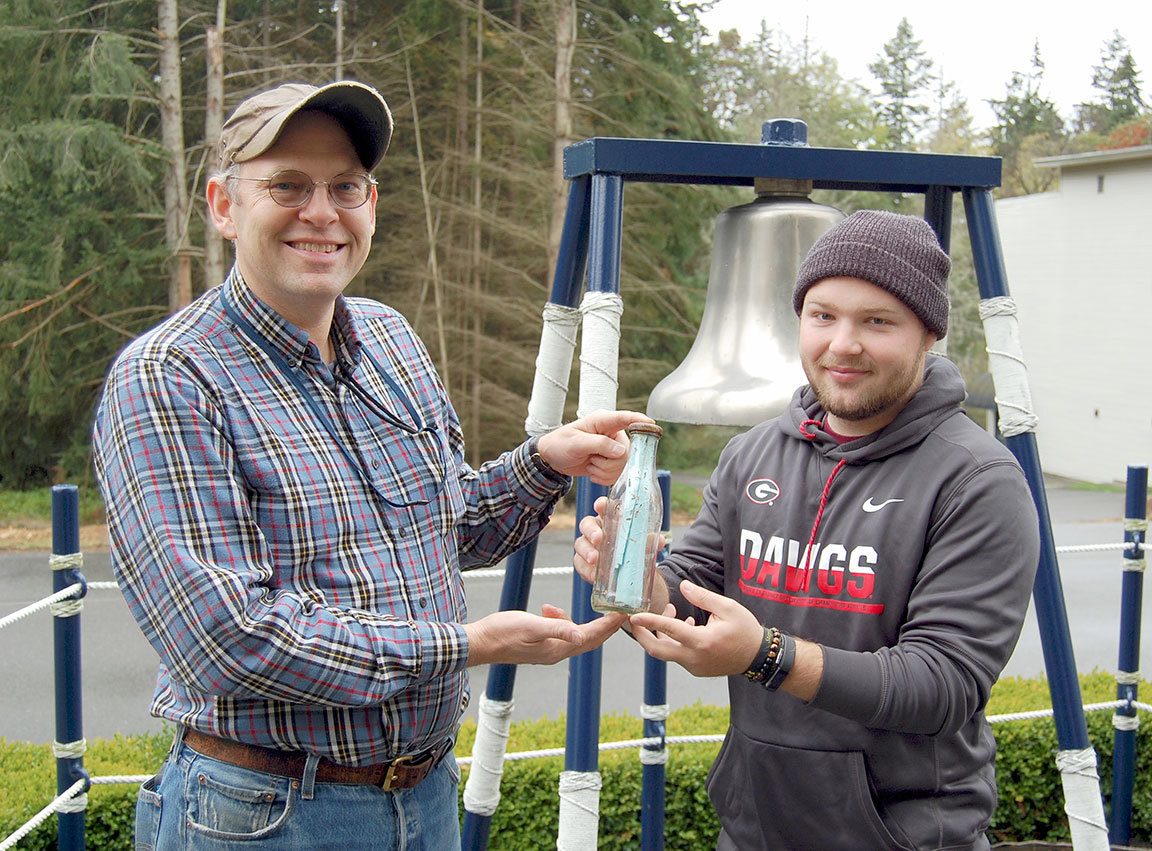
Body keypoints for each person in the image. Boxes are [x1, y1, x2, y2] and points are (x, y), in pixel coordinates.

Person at [93, 80, 646, 850]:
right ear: (223, 206)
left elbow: (444, 526)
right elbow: (227, 637)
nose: (321, 211)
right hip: (266, 814)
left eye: (345, 186)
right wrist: (467, 644)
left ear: (372, 205)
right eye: (286, 184)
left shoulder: (388, 339)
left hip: (425, 798)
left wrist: (543, 462)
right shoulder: (168, 376)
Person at [574, 210, 1040, 850]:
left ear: (928, 333)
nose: (842, 343)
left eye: (877, 321)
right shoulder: (753, 454)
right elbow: (693, 592)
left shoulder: (978, 480)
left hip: (900, 838)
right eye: (823, 315)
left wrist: (765, 656)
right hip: (754, 831)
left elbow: (940, 684)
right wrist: (643, 583)